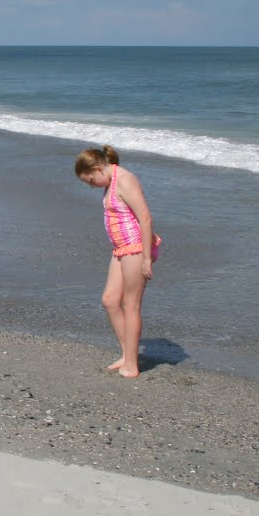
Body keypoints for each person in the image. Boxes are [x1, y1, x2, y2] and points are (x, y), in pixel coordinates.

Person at [75, 146, 160, 379]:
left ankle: (131, 365)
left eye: (90, 180)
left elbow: (145, 217)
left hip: (135, 247)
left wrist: (146, 257)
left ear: (97, 169)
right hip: (120, 249)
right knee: (110, 300)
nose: (91, 185)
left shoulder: (125, 180)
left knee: (130, 305)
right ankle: (127, 353)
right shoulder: (109, 180)